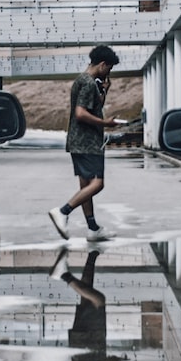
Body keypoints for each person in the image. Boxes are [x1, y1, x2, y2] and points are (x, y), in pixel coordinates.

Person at [48, 45, 124, 240]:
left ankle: (93, 229)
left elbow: (90, 107)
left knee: (86, 186)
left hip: (77, 141)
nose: (109, 73)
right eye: (109, 68)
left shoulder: (83, 81)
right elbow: (81, 114)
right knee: (98, 184)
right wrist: (106, 123)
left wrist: (104, 92)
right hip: (88, 142)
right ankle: (63, 212)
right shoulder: (88, 82)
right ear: (102, 64)